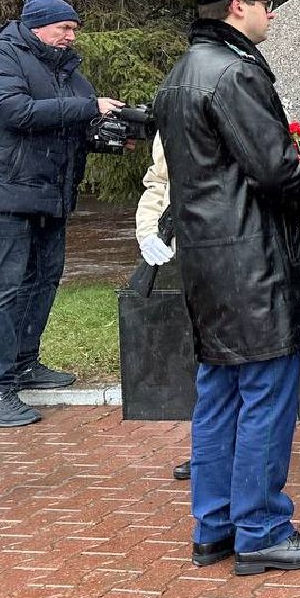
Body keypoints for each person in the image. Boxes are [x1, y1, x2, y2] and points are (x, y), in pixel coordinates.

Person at [153, 0, 300, 574]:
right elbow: (275, 169)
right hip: (253, 261)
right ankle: (260, 529)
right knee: (263, 394)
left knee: (219, 396)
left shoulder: (181, 74)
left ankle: (213, 526)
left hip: (209, 264)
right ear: (238, 6)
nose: (271, 13)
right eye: (264, 2)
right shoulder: (234, 73)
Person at [0, 0, 123, 427]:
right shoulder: (6, 55)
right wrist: (91, 107)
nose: (72, 37)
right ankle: (0, 387)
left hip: (51, 196)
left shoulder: (66, 70)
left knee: (44, 281)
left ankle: (26, 362)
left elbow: (74, 124)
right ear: (37, 27)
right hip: (9, 195)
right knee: (6, 290)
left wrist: (105, 134)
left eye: (74, 29)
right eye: (64, 29)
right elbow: (16, 112)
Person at [134, 135, 192, 481]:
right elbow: (159, 181)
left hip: (238, 252)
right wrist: (148, 233)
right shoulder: (175, 103)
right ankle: (208, 451)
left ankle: (239, 452)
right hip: (191, 254)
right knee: (204, 363)